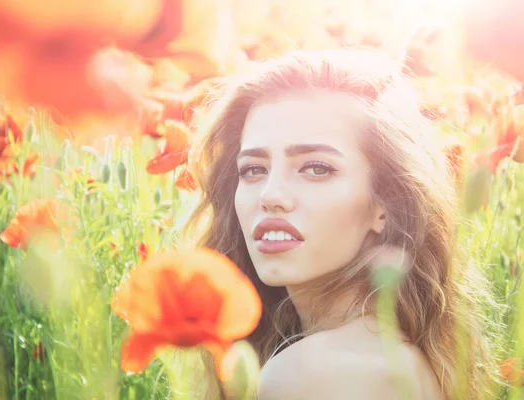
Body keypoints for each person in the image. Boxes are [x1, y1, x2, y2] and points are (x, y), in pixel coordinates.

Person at [183, 48, 500, 399]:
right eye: (253, 169)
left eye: (316, 168)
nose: (270, 195)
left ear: (385, 203)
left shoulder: (311, 375)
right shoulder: (402, 359)